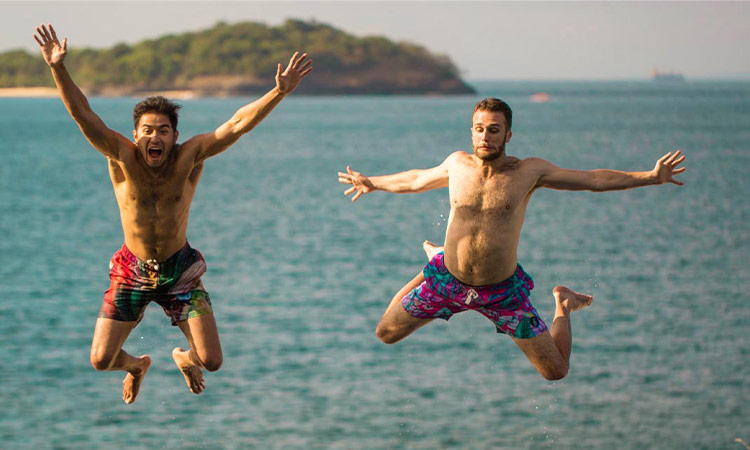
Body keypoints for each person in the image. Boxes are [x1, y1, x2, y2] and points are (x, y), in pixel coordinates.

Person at [34, 23, 312, 403]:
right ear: (135, 135)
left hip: (179, 269)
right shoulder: (121, 157)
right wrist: (57, 68)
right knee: (101, 359)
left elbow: (235, 125)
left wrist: (277, 93)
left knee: (211, 360)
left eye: (163, 130)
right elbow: (84, 115)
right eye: (147, 130)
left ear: (174, 137)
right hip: (132, 269)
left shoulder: (189, 157)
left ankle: (184, 358)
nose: (155, 137)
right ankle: (136, 365)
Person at [338, 97, 685, 380]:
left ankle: (563, 303)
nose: (485, 137)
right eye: (479, 130)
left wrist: (650, 177)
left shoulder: (529, 172)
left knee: (555, 371)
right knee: (386, 332)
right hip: (449, 282)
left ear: (508, 134)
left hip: (502, 293)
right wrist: (373, 182)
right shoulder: (457, 164)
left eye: (493, 130)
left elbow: (591, 179)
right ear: (471, 132)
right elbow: (415, 179)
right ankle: (435, 263)